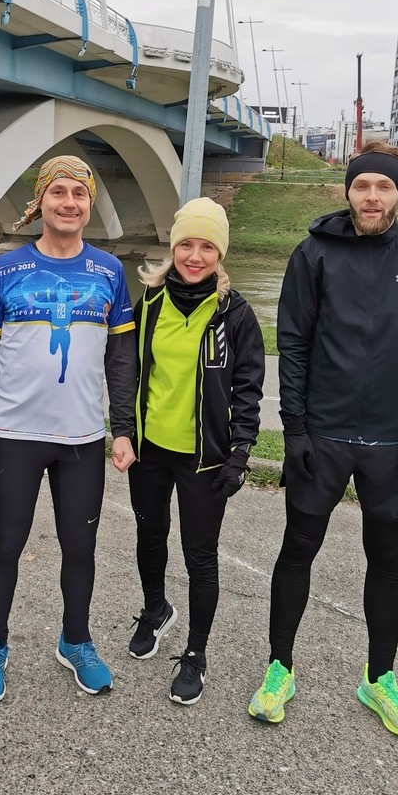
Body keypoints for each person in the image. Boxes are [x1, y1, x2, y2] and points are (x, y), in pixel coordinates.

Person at [248, 142, 398, 737]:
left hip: (392, 444)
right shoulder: (313, 254)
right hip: (324, 436)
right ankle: (280, 669)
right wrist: (295, 429)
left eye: (383, 187)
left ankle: (379, 678)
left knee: (386, 561)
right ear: (347, 190)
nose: (371, 196)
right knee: (297, 550)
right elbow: (293, 346)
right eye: (362, 185)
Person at [0, 155, 136, 702]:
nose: (69, 203)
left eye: (79, 194)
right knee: (6, 545)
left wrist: (123, 428)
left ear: (89, 204)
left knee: (80, 547)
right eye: (58, 192)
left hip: (81, 438)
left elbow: (121, 360)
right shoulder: (4, 270)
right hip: (14, 434)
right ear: (40, 202)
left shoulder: (109, 271)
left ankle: (75, 640)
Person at [127, 198, 265, 704]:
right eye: (186, 244)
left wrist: (240, 453)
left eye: (207, 246)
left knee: (199, 556)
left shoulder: (235, 314)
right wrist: (124, 432)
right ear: (173, 247)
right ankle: (155, 609)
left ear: (220, 254)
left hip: (205, 457)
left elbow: (248, 389)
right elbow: (129, 373)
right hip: (150, 450)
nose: (194, 256)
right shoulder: (149, 303)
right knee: (150, 534)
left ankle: (196, 653)